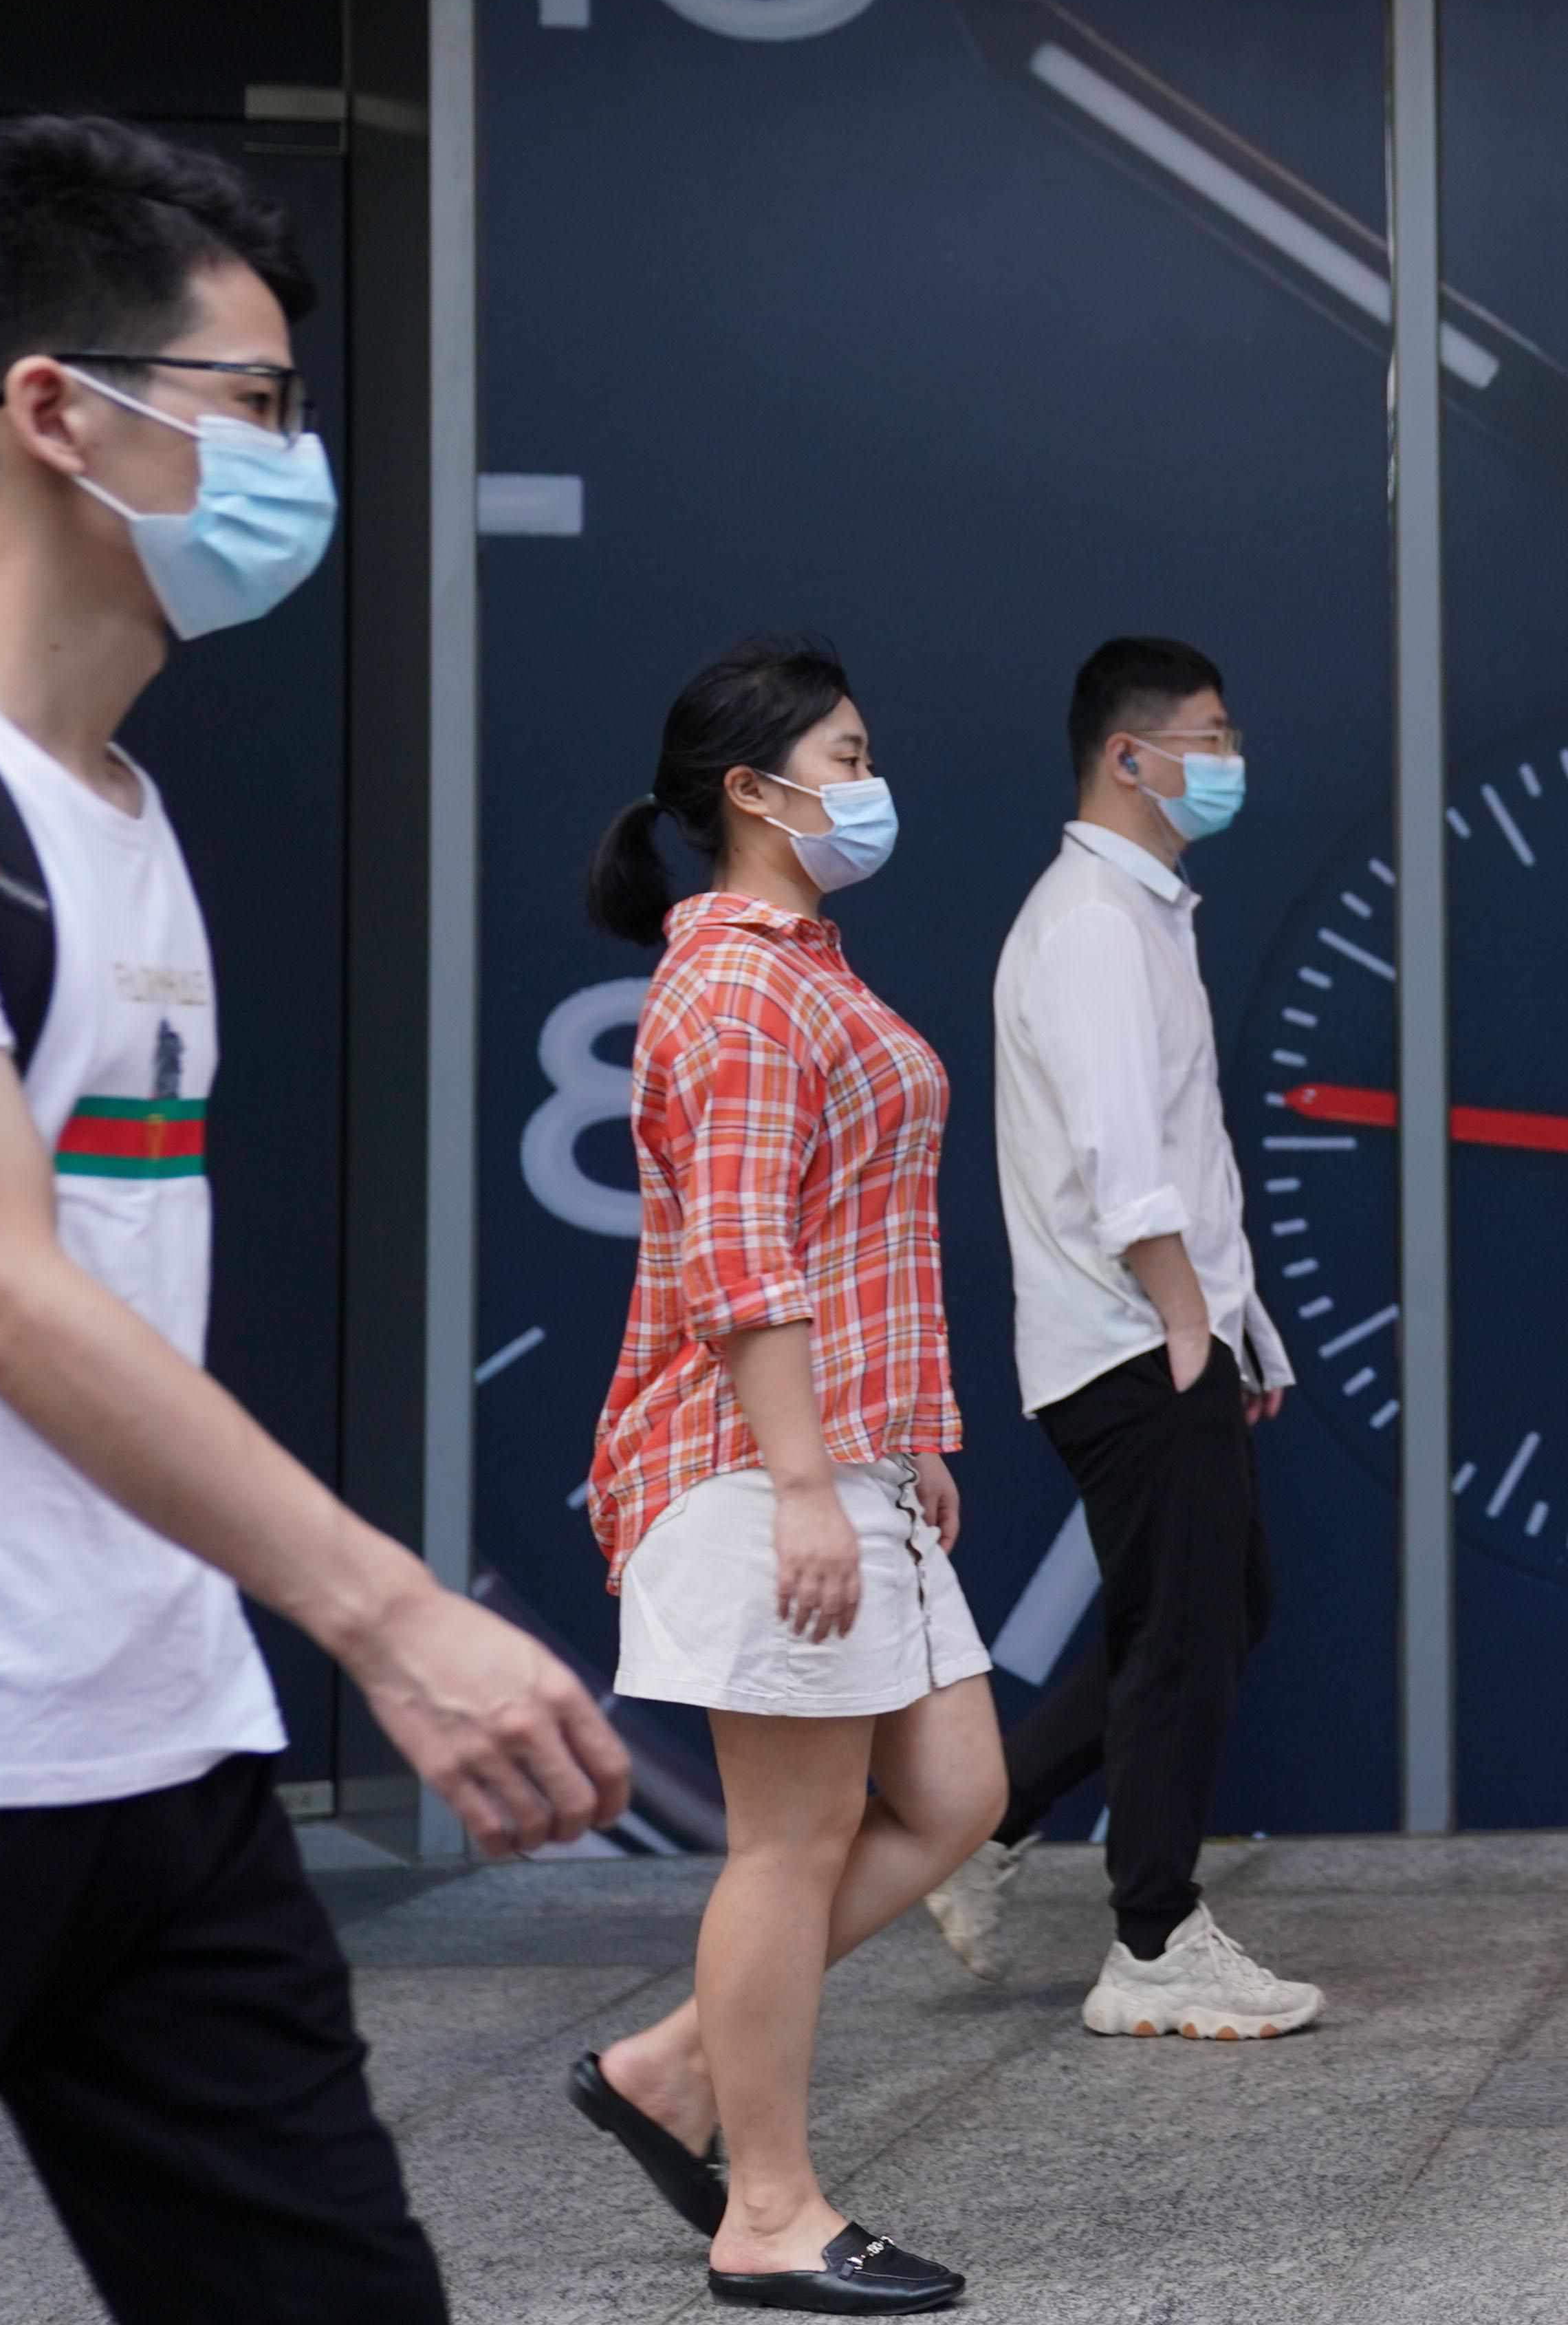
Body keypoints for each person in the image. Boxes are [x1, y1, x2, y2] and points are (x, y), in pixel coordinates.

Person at [0, 115, 629, 2322]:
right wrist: (391, 1615)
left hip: (162, 1766)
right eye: (252, 405)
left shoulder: (124, 813)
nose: (293, 464)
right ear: (54, 412)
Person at [563, 636, 1000, 2315]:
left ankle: (675, 2063)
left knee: (953, 1794)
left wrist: (905, 1440)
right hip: (758, 1466)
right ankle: (768, 2208)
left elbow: (856, 1227)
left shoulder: (805, 963)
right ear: (752, 789)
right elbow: (744, 1262)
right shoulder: (739, 986)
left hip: (842, 1452)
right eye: (848, 755)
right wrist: (811, 1481)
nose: (873, 783)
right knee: (792, 1840)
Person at [919, 636, 1319, 2040]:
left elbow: (1181, 1145)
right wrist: (1189, 1315)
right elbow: (1118, 1155)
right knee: (1178, 1635)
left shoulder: (1137, 912)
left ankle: (989, 1824)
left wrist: (1242, 1329)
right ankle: (1151, 1940)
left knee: (1215, 1608)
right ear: (1128, 756)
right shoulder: (1092, 920)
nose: (1231, 761)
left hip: (1163, 1328)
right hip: (1131, 1335)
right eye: (1210, 736)